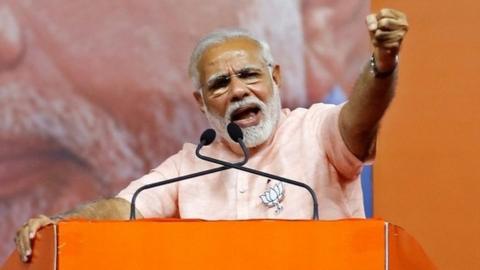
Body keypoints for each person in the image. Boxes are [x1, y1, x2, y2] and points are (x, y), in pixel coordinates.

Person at [14, 8, 408, 263]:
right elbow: (122, 209)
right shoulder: (190, 167)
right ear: (202, 103)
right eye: (220, 84)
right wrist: (59, 223)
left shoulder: (315, 131)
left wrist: (383, 64)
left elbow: (361, 119)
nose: (238, 90)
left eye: (250, 74)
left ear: (276, 78)